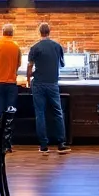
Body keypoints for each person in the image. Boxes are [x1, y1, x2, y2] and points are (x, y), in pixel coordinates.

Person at [26, 22, 69, 154]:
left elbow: (29, 67)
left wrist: (28, 79)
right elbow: (62, 64)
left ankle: (44, 145)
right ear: (49, 32)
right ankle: (61, 143)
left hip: (38, 84)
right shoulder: (57, 46)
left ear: (39, 32)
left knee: (40, 114)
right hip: (53, 83)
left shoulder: (35, 47)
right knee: (58, 112)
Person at [0, 23, 21, 119]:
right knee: (10, 110)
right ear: (12, 33)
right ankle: (8, 127)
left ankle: (0, 125)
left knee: (0, 108)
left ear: (3, 32)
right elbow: (18, 64)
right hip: (11, 82)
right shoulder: (16, 47)